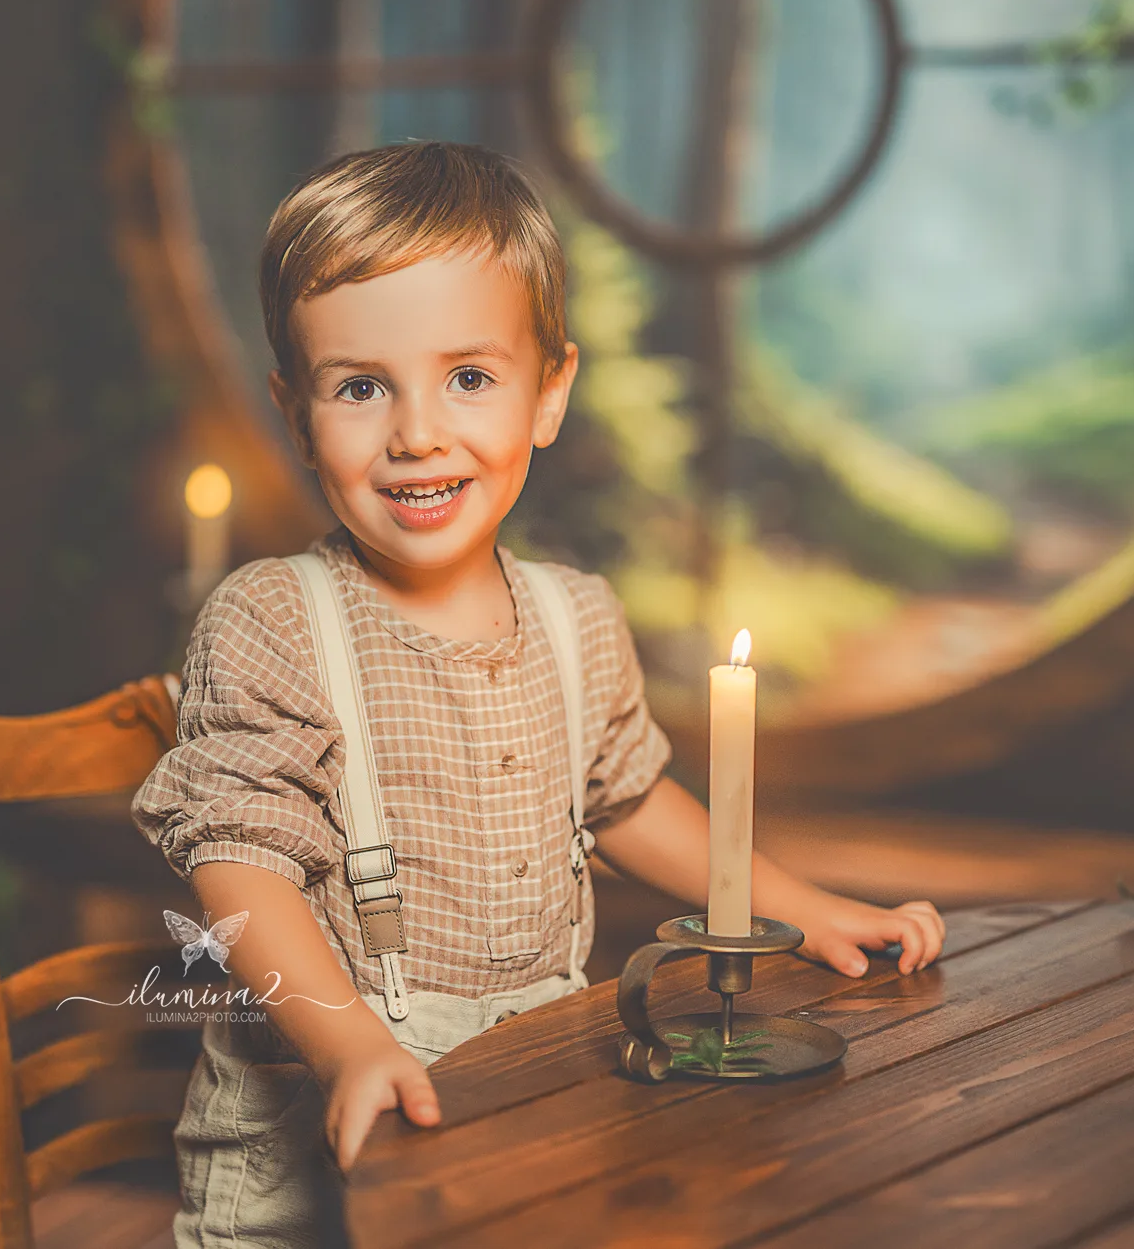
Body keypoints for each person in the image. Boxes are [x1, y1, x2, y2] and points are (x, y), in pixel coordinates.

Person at [131, 140, 946, 1249]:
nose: (417, 432)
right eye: (361, 387)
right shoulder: (273, 620)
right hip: (319, 1139)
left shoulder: (575, 616)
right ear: (294, 411)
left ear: (548, 392)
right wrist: (347, 1042)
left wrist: (797, 911)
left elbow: (629, 800)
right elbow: (238, 864)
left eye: (468, 377)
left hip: (533, 1101)